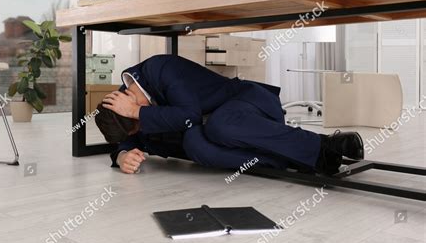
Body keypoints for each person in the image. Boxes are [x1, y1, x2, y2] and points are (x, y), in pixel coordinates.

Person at [95, 55, 364, 175]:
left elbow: (189, 115)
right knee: (194, 144)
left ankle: (322, 146)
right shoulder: (129, 114)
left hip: (249, 105)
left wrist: (137, 112)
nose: (143, 128)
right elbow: (127, 138)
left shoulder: (159, 69)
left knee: (219, 125)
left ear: (127, 101)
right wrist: (122, 155)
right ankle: (291, 159)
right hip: (227, 135)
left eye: (139, 122)